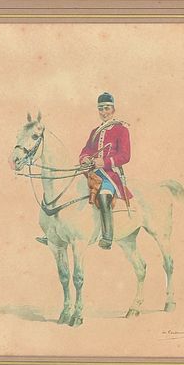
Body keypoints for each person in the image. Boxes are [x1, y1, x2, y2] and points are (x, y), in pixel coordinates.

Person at [79, 92, 132, 249]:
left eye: (107, 108)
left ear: (113, 109)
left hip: (111, 175)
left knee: (103, 195)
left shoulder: (121, 130)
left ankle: (107, 237)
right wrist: (85, 158)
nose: (104, 112)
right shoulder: (95, 131)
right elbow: (87, 150)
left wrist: (105, 162)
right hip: (93, 173)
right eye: (101, 109)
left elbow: (125, 156)